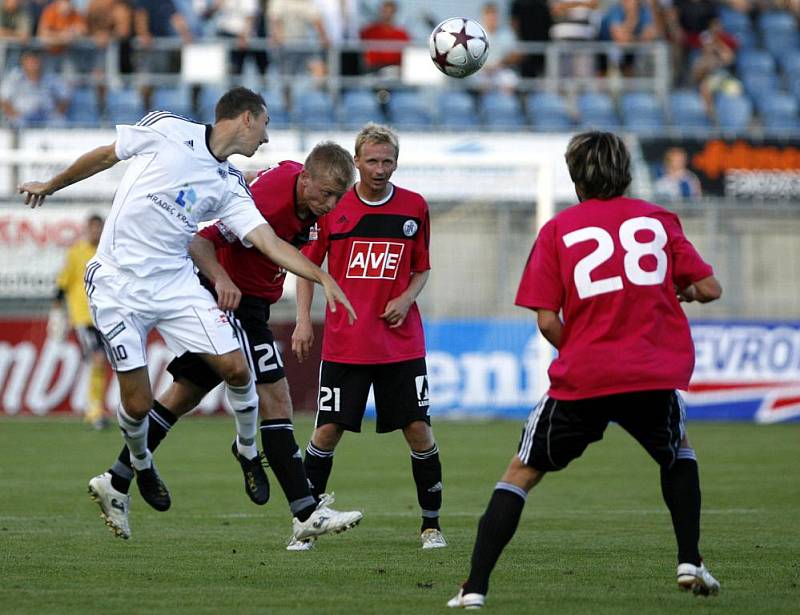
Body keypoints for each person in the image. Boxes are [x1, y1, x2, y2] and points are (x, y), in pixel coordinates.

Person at [19, 87, 356, 531]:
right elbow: (106, 156)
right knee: (138, 404)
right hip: (119, 283)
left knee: (235, 372)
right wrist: (50, 184)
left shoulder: (232, 185)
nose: (267, 139)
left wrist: (321, 276)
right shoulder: (168, 129)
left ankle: (255, 464)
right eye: (267, 125)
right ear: (248, 118)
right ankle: (135, 467)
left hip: (176, 284)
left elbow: (269, 243)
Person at [447, 131, 722, 609]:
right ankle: (689, 559)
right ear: (628, 172)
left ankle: (474, 589)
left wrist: (585, 350)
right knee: (677, 451)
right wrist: (689, 292)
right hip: (649, 373)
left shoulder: (559, 229)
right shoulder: (657, 219)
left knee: (522, 471)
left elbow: (546, 319)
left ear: (575, 178)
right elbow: (709, 287)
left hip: (585, 376)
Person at [87, 141, 363, 545]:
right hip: (234, 301)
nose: (332, 204)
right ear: (305, 181)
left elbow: (268, 181)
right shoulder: (270, 202)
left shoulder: (299, 184)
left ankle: (117, 477)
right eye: (326, 194)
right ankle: (304, 510)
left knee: (181, 395)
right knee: (276, 396)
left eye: (338, 197)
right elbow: (201, 241)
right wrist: (222, 279)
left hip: (254, 304)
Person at [292, 123, 446, 551]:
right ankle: (305, 524)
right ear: (356, 161)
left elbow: (422, 267)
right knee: (326, 433)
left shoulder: (414, 207)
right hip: (346, 345)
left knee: (418, 429)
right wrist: (304, 319)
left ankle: (431, 526)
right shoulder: (333, 208)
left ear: (397, 162)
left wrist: (407, 297)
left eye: (388, 161)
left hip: (401, 344)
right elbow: (308, 268)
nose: (380, 169)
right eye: (372, 160)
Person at [49, 214, 110, 430]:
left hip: (106, 317)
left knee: (102, 363)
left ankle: (96, 408)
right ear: (86, 229)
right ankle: (94, 411)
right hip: (83, 317)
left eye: (99, 228)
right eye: (92, 228)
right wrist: (56, 316)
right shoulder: (76, 253)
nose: (96, 232)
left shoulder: (107, 252)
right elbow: (62, 284)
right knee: (97, 359)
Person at [0, 49, 70, 127]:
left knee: (58, 121)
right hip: (23, 115)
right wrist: (14, 113)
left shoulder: (51, 78)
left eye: (35, 61)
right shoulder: (14, 78)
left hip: (46, 115)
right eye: (30, 62)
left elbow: (65, 98)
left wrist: (56, 113)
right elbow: (3, 100)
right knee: (17, 122)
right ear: (23, 63)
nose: (33, 65)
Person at [359, 0, 410, 74]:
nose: (387, 14)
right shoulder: (369, 32)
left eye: (390, 11)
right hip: (374, 70)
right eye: (385, 11)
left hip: (395, 71)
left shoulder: (402, 34)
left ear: (394, 12)